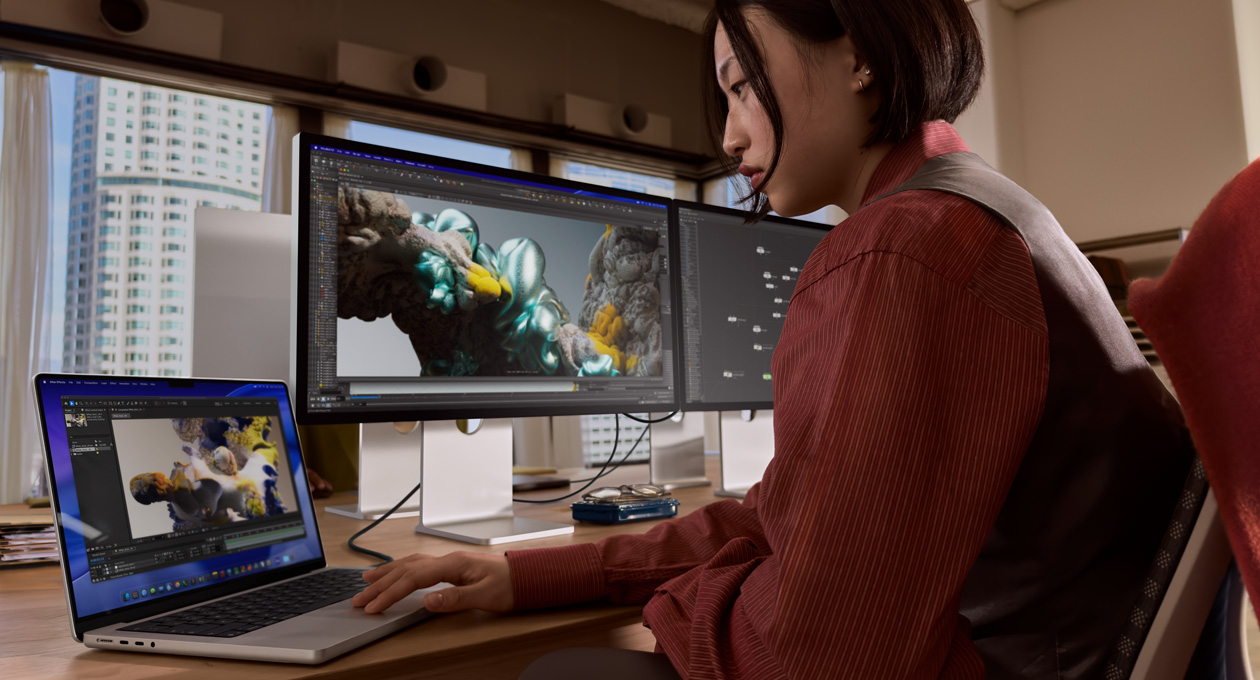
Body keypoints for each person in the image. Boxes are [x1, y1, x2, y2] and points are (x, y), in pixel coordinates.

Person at [351, 1, 1195, 677]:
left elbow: (815, 654)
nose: (727, 136)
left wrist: (680, 608)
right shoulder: (986, 213)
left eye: (743, 85)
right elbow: (784, 518)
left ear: (860, 50)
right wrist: (528, 575)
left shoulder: (899, 251)